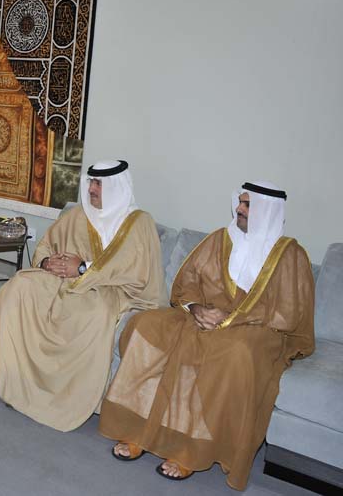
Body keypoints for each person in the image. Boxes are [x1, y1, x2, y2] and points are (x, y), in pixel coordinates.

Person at [99, 181, 314, 490]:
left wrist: (233, 318)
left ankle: (189, 450)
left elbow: (288, 313)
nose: (239, 209)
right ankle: (139, 431)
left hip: (257, 330)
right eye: (240, 202)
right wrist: (196, 308)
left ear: (268, 211)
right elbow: (186, 283)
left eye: (247, 205)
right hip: (203, 316)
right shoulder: (219, 239)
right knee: (146, 326)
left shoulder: (291, 255)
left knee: (234, 353)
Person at [0, 160, 166, 431]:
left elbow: (135, 270)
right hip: (62, 279)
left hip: (109, 289)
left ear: (117, 187)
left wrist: (84, 269)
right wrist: (46, 263)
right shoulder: (78, 214)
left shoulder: (139, 222)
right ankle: (20, 381)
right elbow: (47, 245)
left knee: (94, 313)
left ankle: (63, 399)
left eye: (99, 184)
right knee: (19, 288)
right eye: (91, 182)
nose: (92, 189)